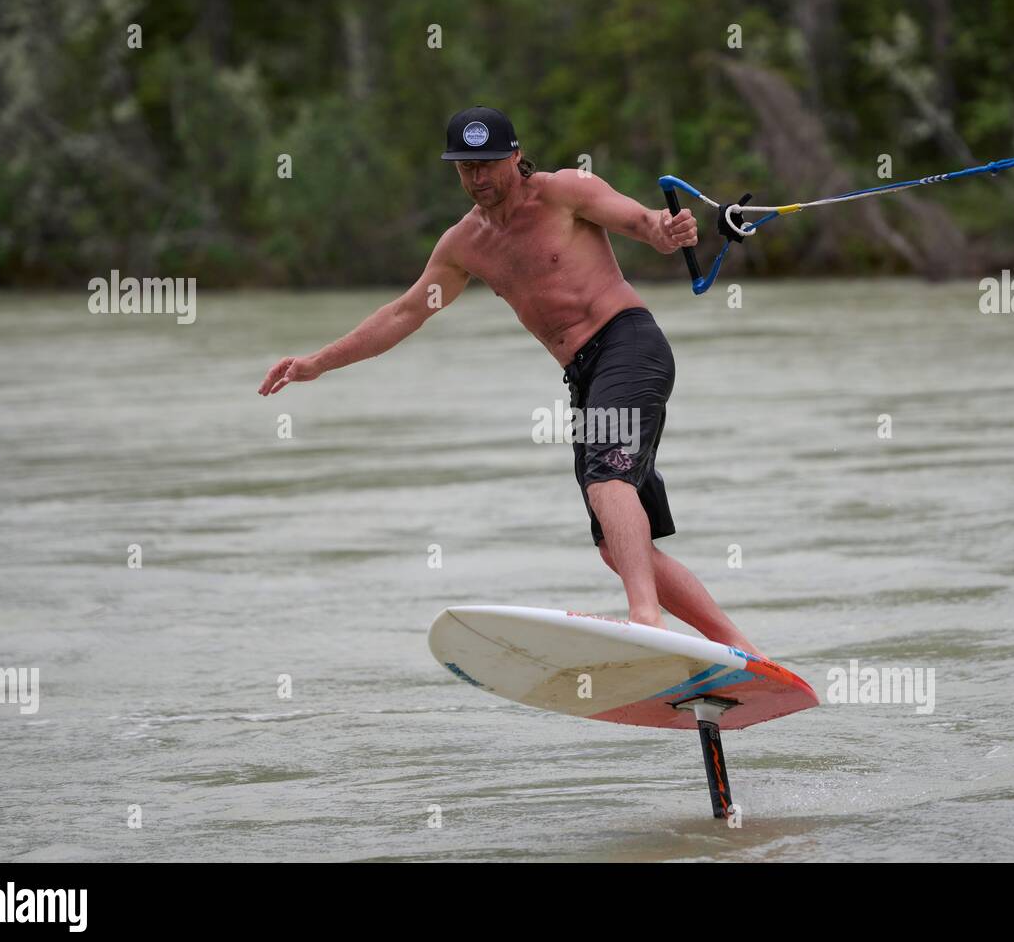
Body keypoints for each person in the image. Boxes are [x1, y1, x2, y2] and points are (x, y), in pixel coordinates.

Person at [259, 105, 762, 655]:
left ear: (516, 156)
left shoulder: (567, 191)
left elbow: (646, 223)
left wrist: (671, 231)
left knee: (605, 482)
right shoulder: (465, 245)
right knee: (616, 545)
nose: (477, 178)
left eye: (488, 164)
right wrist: (317, 363)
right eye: (465, 168)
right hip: (584, 376)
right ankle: (740, 648)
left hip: (629, 343)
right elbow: (404, 314)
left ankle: (644, 620)